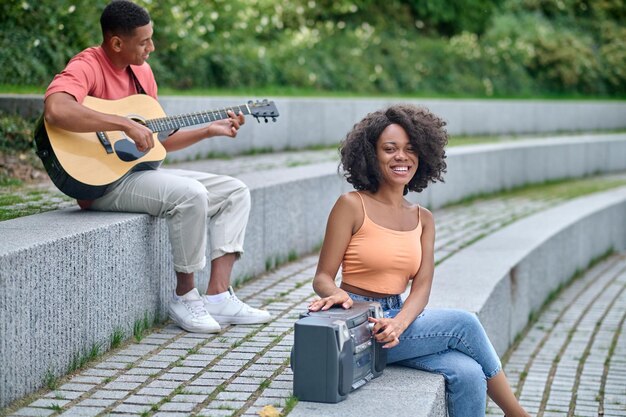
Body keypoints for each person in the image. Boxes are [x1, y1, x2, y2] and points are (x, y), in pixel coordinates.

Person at [43, 0, 271, 334]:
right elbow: (56, 110)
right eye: (144, 41)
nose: (152, 47)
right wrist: (122, 123)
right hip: (100, 184)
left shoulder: (142, 74)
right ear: (116, 43)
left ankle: (219, 296)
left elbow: (155, 142)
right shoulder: (87, 64)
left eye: (152, 38)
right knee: (191, 194)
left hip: (139, 174)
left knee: (235, 191)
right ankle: (184, 297)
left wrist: (208, 130)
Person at [308, 105, 531, 417]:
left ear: (423, 156)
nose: (402, 157)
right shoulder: (351, 205)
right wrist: (337, 295)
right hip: (360, 323)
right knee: (464, 324)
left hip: (399, 319)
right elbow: (322, 277)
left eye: (411, 149)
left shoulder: (422, 218)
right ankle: (518, 414)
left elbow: (422, 288)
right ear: (371, 155)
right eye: (390, 149)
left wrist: (399, 323)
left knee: (468, 374)